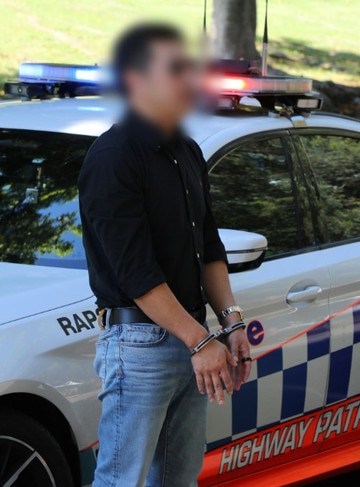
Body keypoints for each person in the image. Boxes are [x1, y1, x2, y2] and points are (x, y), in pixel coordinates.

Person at [78, 23, 252, 486]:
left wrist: (230, 324)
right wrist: (201, 341)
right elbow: (137, 274)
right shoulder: (113, 157)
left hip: (192, 337)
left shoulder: (187, 150)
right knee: (122, 481)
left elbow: (209, 246)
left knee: (178, 480)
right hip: (140, 348)